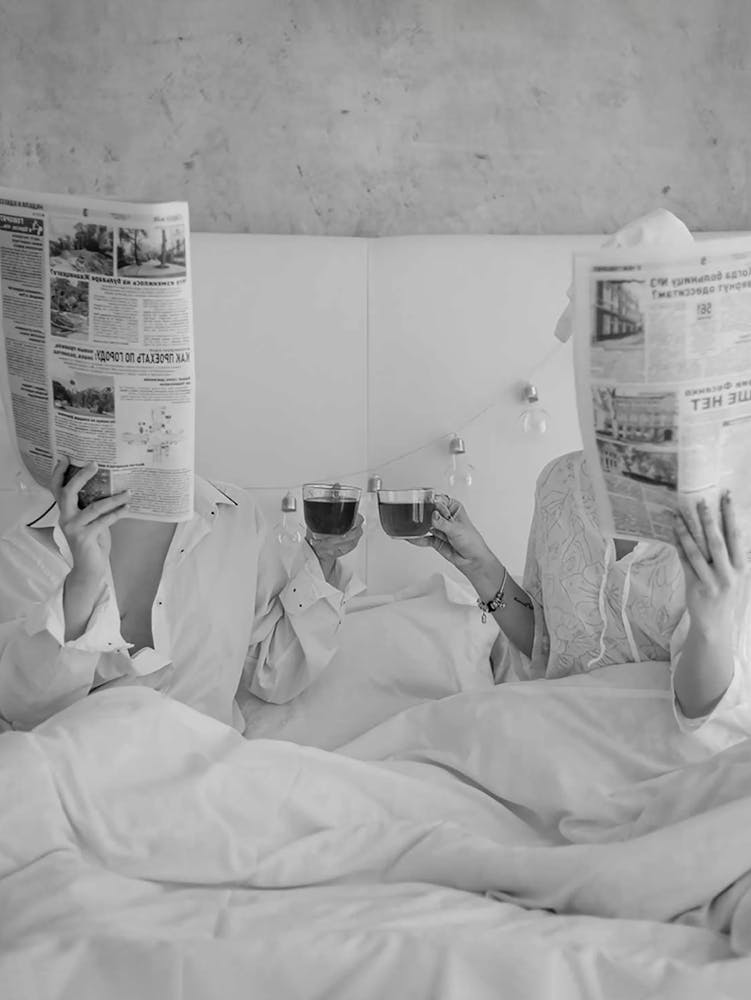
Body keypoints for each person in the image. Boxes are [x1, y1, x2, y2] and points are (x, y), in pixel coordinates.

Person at [412, 209, 751, 742]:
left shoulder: (733, 507)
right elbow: (545, 646)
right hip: (560, 738)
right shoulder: (559, 485)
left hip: (668, 754)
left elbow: (701, 712)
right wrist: (480, 564)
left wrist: (711, 625)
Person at [0, 457, 364, 731]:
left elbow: (274, 675)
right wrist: (83, 581)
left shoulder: (234, 517)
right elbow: (25, 712)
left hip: (212, 776)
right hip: (83, 780)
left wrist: (323, 559)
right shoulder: (22, 548)